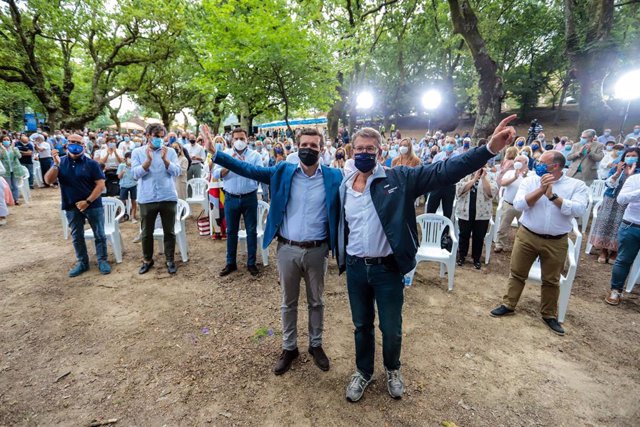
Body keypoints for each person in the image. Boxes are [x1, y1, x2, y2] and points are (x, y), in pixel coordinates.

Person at [337, 116, 517, 402]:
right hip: (357, 268)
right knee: (361, 325)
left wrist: (488, 150)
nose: (364, 153)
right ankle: (363, 371)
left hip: (387, 269)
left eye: (371, 149)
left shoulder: (399, 179)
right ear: (351, 151)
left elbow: (444, 171)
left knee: (391, 327)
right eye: (359, 148)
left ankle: (393, 369)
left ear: (381, 153)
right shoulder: (344, 185)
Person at [202, 125, 343, 375]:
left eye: (314, 146)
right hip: (287, 249)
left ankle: (315, 344)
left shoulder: (333, 177)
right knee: (288, 302)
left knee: (317, 301)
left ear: (322, 149)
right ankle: (289, 347)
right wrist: (218, 153)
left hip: (317, 250)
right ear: (297, 147)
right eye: (304, 145)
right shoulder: (282, 171)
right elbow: (249, 169)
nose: (308, 149)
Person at [490, 151, 589, 336]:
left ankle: (549, 315)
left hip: (556, 241)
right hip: (527, 235)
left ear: (556, 166)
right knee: (517, 273)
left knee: (551, 280)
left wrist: (553, 197)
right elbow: (519, 204)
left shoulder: (576, 185)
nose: (538, 164)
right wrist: (541, 191)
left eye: (543, 162)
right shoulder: (531, 181)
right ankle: (508, 304)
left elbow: (578, 209)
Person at [44, 134, 111, 277]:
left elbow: (100, 185)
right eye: (71, 142)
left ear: (84, 146)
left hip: (92, 205)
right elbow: (48, 180)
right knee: (77, 235)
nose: (75, 145)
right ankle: (82, 262)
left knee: (99, 233)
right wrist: (55, 164)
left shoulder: (92, 164)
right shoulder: (60, 162)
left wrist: (87, 201)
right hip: (71, 205)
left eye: (78, 143)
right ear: (66, 145)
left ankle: (102, 260)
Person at [132, 123, 182, 275]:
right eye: (156, 137)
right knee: (147, 232)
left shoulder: (171, 151)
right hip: (147, 198)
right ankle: (147, 260)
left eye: (162, 137)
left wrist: (166, 160)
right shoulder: (137, 152)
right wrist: (147, 161)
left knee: (170, 231)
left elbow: (177, 171)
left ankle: (170, 259)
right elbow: (135, 174)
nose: (159, 140)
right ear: (148, 136)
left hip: (168, 196)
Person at [212, 128, 263, 277]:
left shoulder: (255, 155)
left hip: (249, 197)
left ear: (247, 139)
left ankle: (251, 263)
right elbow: (215, 173)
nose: (239, 141)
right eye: (236, 139)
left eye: (242, 138)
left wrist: (243, 165)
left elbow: (260, 172)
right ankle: (230, 263)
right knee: (231, 231)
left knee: (251, 230)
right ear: (231, 140)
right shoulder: (226, 155)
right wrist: (229, 166)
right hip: (231, 198)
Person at [590, 148, 640, 264]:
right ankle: (603, 250)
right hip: (611, 200)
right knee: (606, 223)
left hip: (628, 204)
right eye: (628, 155)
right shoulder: (617, 168)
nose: (630, 157)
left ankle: (614, 252)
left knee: (619, 226)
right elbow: (608, 184)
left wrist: (629, 176)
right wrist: (617, 173)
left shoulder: (638, 172)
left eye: (633, 155)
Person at [604, 159, 640, 305]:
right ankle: (616, 291)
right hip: (631, 226)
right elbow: (621, 199)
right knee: (624, 260)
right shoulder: (634, 180)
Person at [455, 166, 498, 269]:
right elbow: (459, 190)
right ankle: (462, 256)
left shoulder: (490, 176)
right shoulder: (465, 174)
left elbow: (492, 193)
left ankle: (476, 258)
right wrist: (474, 179)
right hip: (465, 210)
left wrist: (483, 178)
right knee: (464, 234)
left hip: (482, 213)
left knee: (479, 237)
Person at [494, 155, 528, 252]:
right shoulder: (510, 173)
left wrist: (524, 177)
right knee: (503, 226)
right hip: (509, 203)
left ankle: (522, 247)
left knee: (524, 228)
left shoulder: (530, 175)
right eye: (516, 160)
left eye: (519, 160)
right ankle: (499, 244)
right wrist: (514, 177)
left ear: (525, 163)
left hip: (523, 207)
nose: (516, 162)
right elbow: (503, 183)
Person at [426, 137, 459, 219]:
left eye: (451, 142)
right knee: (430, 210)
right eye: (447, 142)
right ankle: (429, 229)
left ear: (454, 145)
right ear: (444, 144)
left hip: (450, 186)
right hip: (437, 185)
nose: (449, 144)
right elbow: (432, 170)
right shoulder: (438, 156)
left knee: (447, 212)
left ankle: (445, 231)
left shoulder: (458, 156)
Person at [0, 136, 24, 204]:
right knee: (8, 186)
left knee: (15, 185)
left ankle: (16, 199)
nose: (6, 141)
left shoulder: (14, 148)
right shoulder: (1, 149)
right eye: (4, 139)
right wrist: (2, 149)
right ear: (1, 141)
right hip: (5, 170)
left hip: (15, 169)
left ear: (10, 141)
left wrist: (13, 148)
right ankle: (9, 200)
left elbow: (19, 156)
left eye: (7, 139)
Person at [117, 152, 138, 223]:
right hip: (124, 185)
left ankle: (133, 217)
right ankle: (121, 217)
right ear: (125, 159)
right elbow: (119, 177)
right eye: (129, 158)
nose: (130, 159)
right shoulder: (121, 166)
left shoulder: (135, 166)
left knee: (134, 201)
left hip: (133, 185)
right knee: (122, 201)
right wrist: (122, 172)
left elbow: (137, 176)